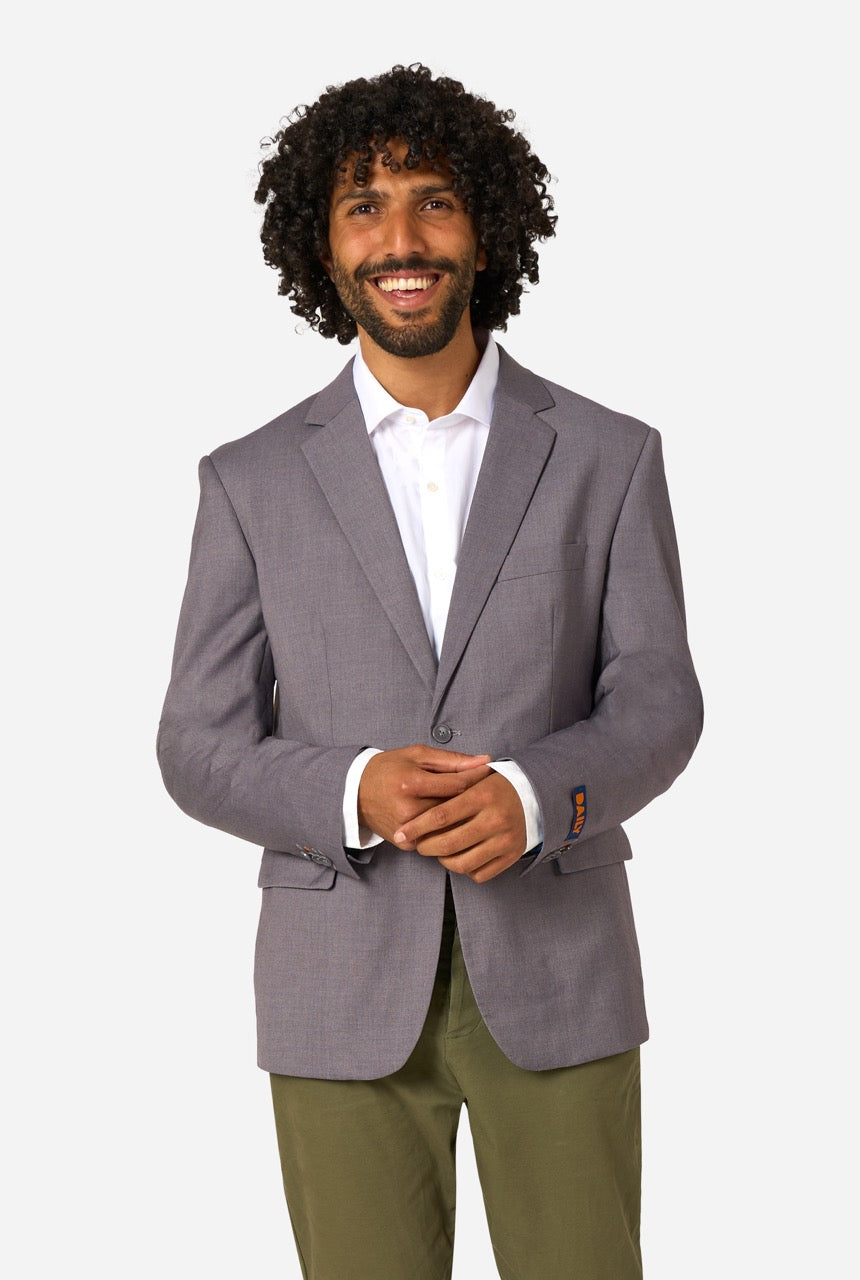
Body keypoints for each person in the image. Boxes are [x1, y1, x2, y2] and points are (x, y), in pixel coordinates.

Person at [157, 62, 703, 1280]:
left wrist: (535, 792)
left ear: (484, 228)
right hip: (336, 979)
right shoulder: (247, 481)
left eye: (433, 201)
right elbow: (195, 742)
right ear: (324, 245)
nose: (400, 239)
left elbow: (659, 699)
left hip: (558, 964)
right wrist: (350, 786)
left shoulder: (607, 455)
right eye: (364, 206)